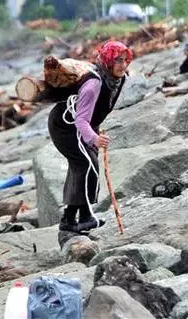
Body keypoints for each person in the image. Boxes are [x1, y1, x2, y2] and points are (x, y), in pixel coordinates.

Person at [49, 40, 132, 233]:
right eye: (118, 60)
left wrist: (94, 132)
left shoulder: (118, 80)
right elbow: (80, 120)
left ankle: (74, 219)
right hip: (64, 126)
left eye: (125, 60)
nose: (123, 65)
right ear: (107, 61)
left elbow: (98, 111)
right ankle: (79, 218)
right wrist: (93, 139)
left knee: (82, 164)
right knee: (87, 164)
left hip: (82, 126)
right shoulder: (94, 84)